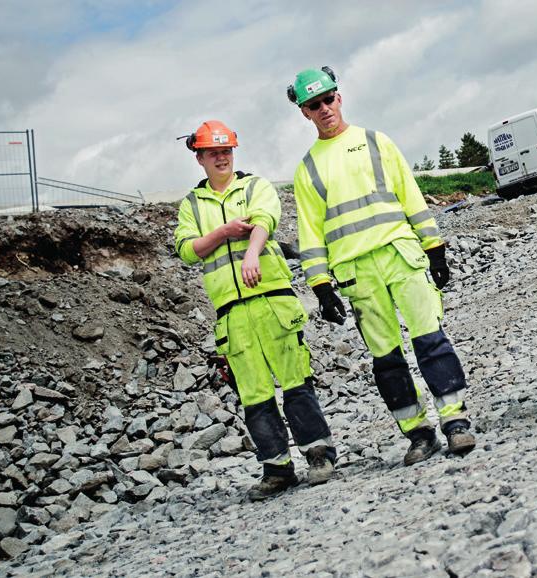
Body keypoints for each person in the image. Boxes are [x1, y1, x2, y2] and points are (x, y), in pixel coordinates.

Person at [287, 67, 476, 466]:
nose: (324, 109)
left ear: (340, 97)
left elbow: (410, 195)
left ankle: (455, 421)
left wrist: (434, 247)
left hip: (401, 256)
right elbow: (310, 233)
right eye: (313, 105)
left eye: (328, 99)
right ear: (304, 112)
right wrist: (321, 285)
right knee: (387, 359)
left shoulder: (376, 142)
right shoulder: (308, 169)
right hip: (358, 274)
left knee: (430, 339)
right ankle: (418, 433)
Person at [173, 120, 336, 500]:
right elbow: (185, 249)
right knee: (255, 396)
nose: (222, 157)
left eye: (226, 150)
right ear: (199, 158)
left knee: (296, 382)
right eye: (214, 152)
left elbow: (265, 219)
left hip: (273, 302)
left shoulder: (254, 187)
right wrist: (223, 233)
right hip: (233, 314)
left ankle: (319, 454)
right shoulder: (192, 206)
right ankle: (277, 469)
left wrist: (250, 252)